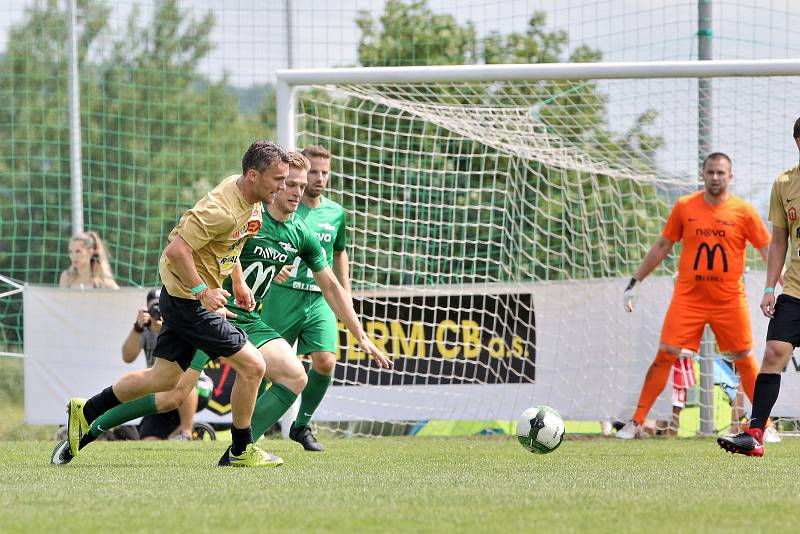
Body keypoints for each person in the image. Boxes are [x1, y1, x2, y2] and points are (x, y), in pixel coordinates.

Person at [53, 151, 392, 467]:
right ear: (262, 178)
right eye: (287, 183)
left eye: (300, 186)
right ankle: (95, 427)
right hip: (208, 308)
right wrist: (208, 290)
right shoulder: (239, 208)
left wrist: (359, 334)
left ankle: (239, 449)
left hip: (245, 315)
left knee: (292, 376)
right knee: (173, 392)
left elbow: (331, 285)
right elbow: (188, 249)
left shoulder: (289, 227)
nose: (293, 192)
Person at [51, 139, 290, 467]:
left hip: (183, 299)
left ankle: (87, 410)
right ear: (252, 175)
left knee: (162, 380)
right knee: (254, 366)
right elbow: (176, 251)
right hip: (190, 302)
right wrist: (202, 291)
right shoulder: (219, 208)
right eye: (278, 179)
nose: (284, 185)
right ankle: (240, 449)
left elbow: (231, 242)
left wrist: (237, 281)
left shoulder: (252, 199)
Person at [616, 152, 771, 439]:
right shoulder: (685, 206)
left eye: (720, 173)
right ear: (703, 175)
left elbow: (767, 249)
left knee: (744, 358)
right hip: (689, 299)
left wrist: (781, 284)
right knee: (665, 354)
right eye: (710, 172)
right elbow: (663, 245)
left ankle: (765, 425)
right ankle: (637, 420)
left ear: (730, 177)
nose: (715, 177)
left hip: (729, 301)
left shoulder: (744, 211)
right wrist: (637, 279)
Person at [718, 118, 800, 456]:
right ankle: (754, 435)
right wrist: (769, 288)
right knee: (773, 354)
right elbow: (778, 239)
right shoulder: (784, 183)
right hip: (795, 291)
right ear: (797, 141)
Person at [262, 144, 349, 451]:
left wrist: (345, 294)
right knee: (260, 368)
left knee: (325, 362)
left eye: (325, 172)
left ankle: (302, 424)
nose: (319, 178)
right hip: (281, 296)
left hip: (318, 298)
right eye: (313, 172)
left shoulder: (336, 212)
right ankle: (249, 434)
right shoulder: (284, 205)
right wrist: (273, 269)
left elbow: (339, 252)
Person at [122, 288, 204, 440]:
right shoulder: (145, 331)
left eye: (162, 306)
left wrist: (168, 328)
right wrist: (137, 327)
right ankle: (174, 436)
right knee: (148, 440)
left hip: (198, 387)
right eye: (155, 307)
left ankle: (186, 432)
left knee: (184, 381)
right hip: (162, 389)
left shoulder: (182, 323)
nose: (159, 312)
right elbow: (127, 357)